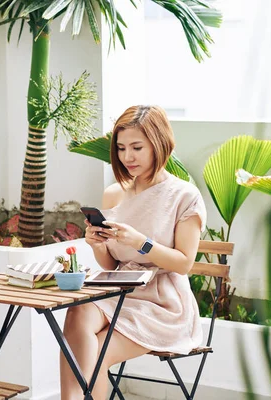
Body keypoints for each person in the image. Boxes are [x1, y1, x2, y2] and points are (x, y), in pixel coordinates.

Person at [60, 105, 207, 400]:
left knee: (97, 353)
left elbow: (184, 264)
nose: (128, 157)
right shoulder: (115, 193)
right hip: (119, 290)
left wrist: (142, 242)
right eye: (122, 148)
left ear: (159, 143)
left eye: (137, 147)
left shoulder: (184, 196)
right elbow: (112, 263)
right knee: (77, 312)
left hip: (162, 302)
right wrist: (98, 244)